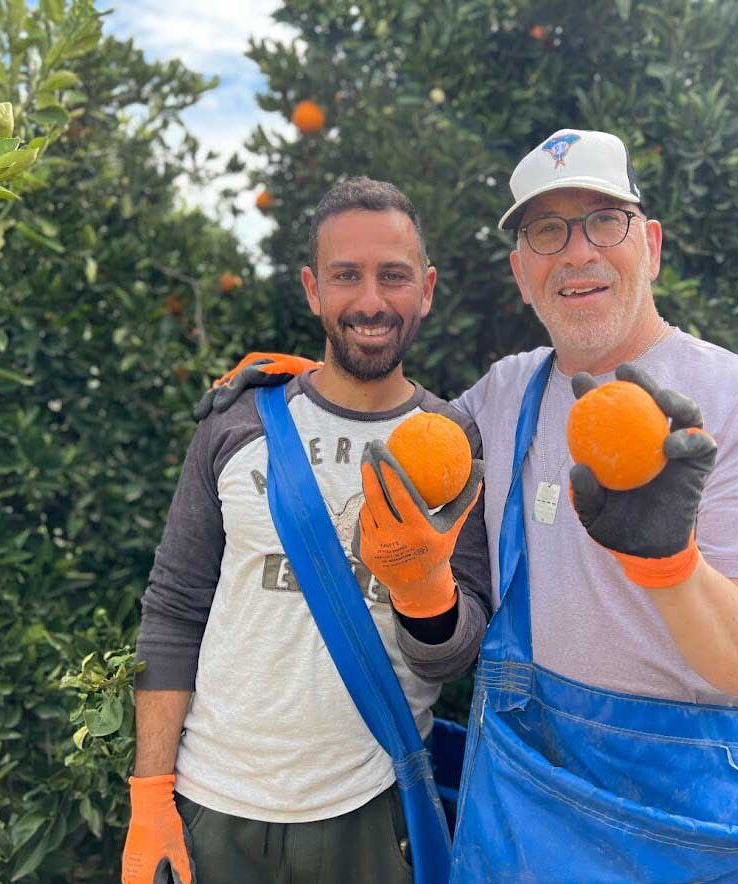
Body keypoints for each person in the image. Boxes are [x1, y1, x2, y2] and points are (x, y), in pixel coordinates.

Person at [201, 130, 738, 880]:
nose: (577, 252)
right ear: (521, 273)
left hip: (691, 822)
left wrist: (672, 566)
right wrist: (314, 380)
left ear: (649, 244)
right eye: (546, 232)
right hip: (522, 813)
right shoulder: (505, 394)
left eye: (603, 220)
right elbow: (410, 431)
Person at [121, 178, 490, 884]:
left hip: (374, 814)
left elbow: (455, 658)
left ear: (428, 288)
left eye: (394, 276)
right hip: (213, 807)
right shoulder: (238, 422)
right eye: (345, 276)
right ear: (312, 289)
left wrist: (425, 592)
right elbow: (173, 613)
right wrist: (148, 800)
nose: (371, 301)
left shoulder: (453, 440)